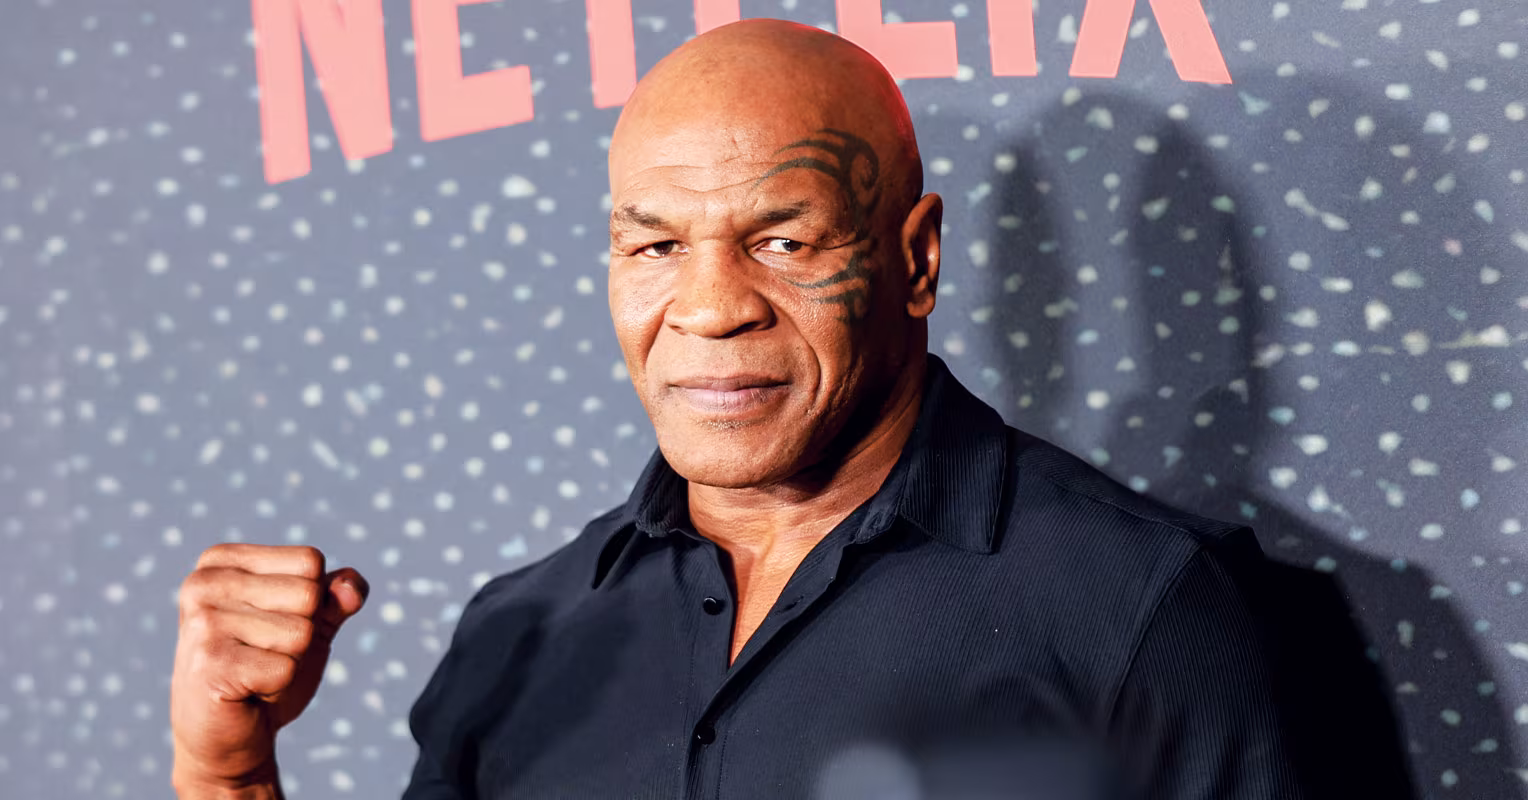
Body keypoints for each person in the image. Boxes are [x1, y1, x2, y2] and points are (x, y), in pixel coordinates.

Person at [171, 19, 1360, 800]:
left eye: (782, 241)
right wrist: (227, 771)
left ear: (915, 260)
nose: (708, 307)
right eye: (655, 245)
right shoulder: (518, 628)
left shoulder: (1141, 607)